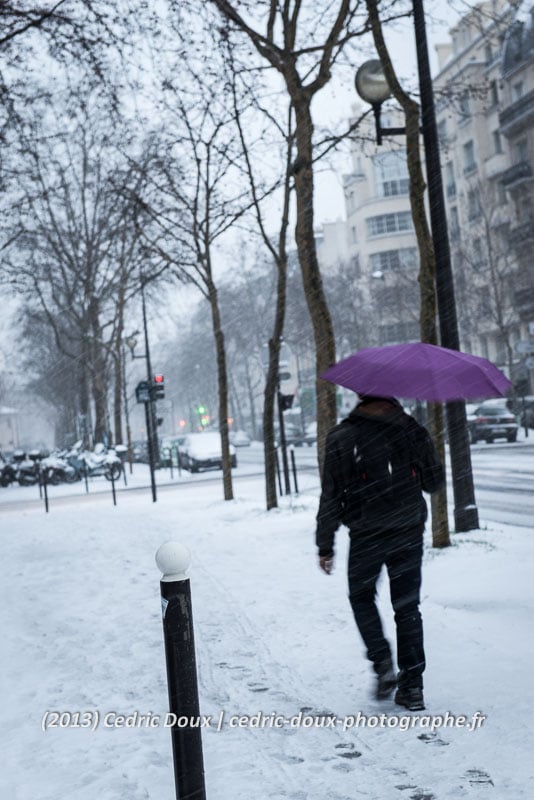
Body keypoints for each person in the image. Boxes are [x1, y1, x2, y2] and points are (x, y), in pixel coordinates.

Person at [316, 395, 444, 710]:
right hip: (408, 532)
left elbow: (330, 494)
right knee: (407, 608)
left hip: (366, 536)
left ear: (360, 397)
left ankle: (382, 661)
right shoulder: (411, 430)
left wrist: (325, 544)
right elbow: (434, 482)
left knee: (361, 598)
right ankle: (413, 687)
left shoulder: (342, 436)